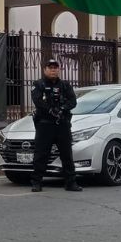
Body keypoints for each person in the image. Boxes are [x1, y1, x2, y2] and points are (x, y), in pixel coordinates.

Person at [30, 58, 81, 192]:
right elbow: (37, 100)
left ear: (59, 69)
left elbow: (73, 101)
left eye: (55, 67)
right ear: (45, 69)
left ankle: (71, 182)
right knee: (41, 154)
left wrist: (62, 108)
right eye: (50, 67)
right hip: (45, 125)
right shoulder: (39, 84)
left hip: (62, 124)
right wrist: (50, 109)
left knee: (66, 154)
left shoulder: (65, 85)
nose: (53, 70)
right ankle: (37, 182)